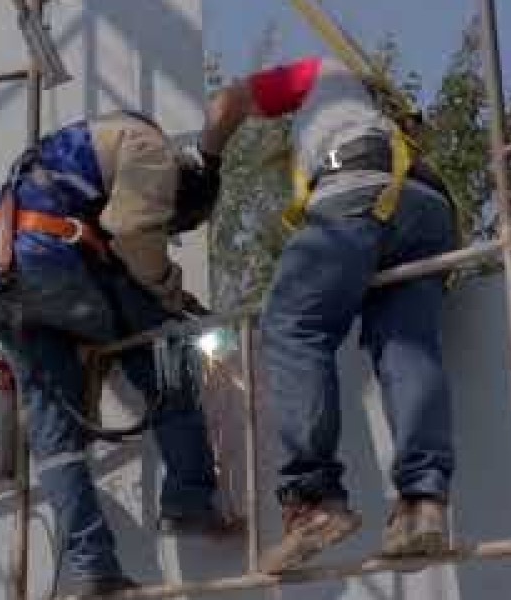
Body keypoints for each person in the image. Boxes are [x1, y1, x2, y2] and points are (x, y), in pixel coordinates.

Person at [198, 56, 460, 573]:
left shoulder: (320, 73)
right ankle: (422, 505)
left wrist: (204, 160)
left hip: (356, 192)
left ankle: (313, 502)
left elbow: (232, 99)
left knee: (291, 327)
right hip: (425, 209)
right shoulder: (382, 115)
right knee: (405, 344)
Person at [0, 110, 232, 596]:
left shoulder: (74, 150)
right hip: (50, 265)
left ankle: (91, 567)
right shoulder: (150, 147)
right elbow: (133, 235)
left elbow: (108, 236)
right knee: (166, 353)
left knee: (55, 439)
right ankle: (190, 499)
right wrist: (170, 295)